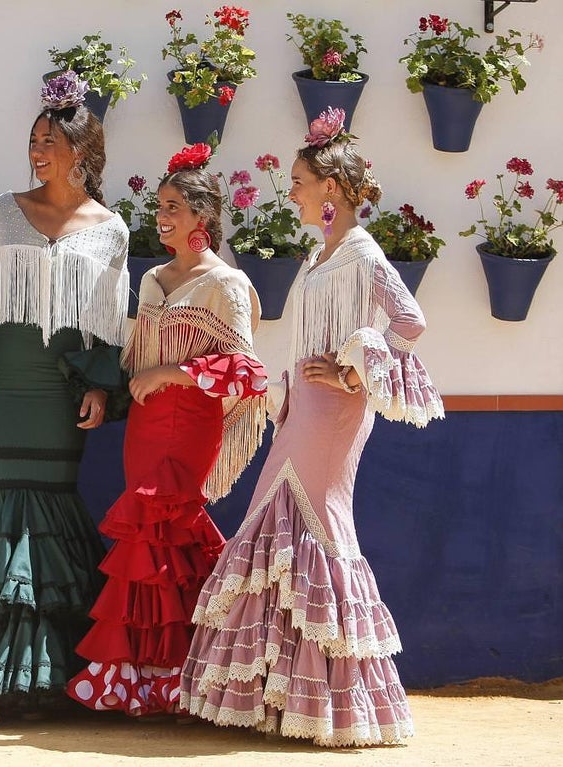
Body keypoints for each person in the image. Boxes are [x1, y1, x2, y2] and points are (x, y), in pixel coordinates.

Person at [178, 108, 445, 746]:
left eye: (299, 180)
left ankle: (339, 703)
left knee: (321, 525)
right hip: (302, 409)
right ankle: (283, 696)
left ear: (330, 187)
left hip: (332, 414)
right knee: (275, 524)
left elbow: (410, 322)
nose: (291, 190)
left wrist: (355, 365)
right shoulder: (321, 251)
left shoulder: (360, 249)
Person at [67, 145, 268, 716]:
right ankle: (140, 681)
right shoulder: (153, 277)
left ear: (202, 216)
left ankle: (192, 676)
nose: (163, 216)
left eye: (174, 207)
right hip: (147, 428)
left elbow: (247, 371)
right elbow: (134, 356)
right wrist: (113, 384)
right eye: (160, 206)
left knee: (172, 535)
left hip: (191, 426)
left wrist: (172, 372)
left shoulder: (225, 284)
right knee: (145, 541)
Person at [0, 71, 130, 712]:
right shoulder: (3, 211)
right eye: (33, 139)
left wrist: (100, 388)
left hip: (60, 389)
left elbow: (111, 321)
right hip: (2, 383)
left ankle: (51, 673)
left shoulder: (110, 229)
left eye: (49, 141)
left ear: (80, 151)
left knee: (54, 502)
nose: (37, 151)